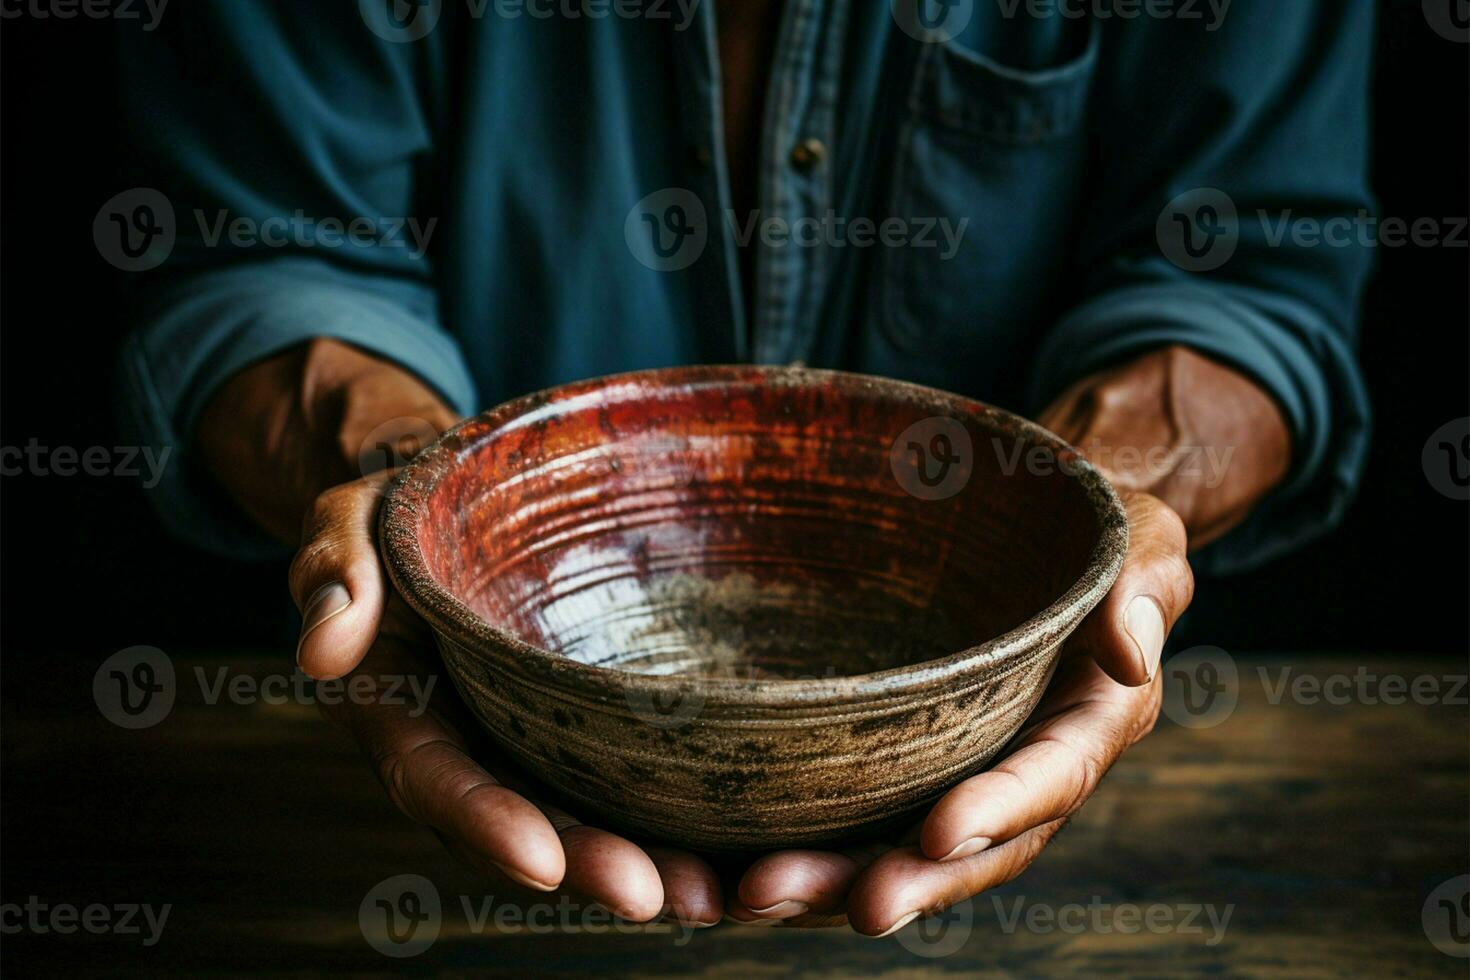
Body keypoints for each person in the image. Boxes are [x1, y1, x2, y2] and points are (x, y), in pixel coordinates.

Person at [114, 1, 1373, 933]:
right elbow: (262, 251)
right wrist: (402, 498)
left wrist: (1091, 530)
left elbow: (1250, 273)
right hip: (371, 873)